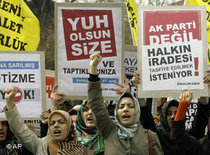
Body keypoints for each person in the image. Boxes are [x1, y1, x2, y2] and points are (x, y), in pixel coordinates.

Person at [87, 53, 163, 155]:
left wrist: (138, 87)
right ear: (116, 112)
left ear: (136, 111)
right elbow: (95, 104)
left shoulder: (149, 136)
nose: (125, 109)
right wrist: (93, 69)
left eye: (130, 106)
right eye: (121, 107)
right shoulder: (109, 130)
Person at [4, 87, 93, 155]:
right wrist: (10, 103)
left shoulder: (86, 152)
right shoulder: (40, 146)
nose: (56, 125)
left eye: (61, 122)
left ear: (70, 127)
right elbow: (19, 129)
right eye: (52, 123)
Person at [170, 91, 210, 155]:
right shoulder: (205, 147)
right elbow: (179, 136)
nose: (172, 116)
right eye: (169, 113)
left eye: (175, 113)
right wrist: (182, 107)